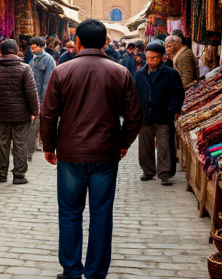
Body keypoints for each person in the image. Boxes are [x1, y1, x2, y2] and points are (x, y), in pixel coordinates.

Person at [40, 19, 142, 279]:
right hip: (106, 153)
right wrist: (123, 143)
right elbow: (134, 116)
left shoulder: (62, 71)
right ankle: (96, 272)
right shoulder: (120, 72)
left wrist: (49, 146)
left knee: (70, 212)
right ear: (105, 42)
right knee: (101, 214)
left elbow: (48, 114)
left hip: (70, 153)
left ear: (78, 41)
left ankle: (72, 270)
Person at [135, 42, 185, 186]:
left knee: (165, 145)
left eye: (154, 58)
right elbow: (135, 94)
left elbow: (178, 94)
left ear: (162, 57)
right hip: (145, 116)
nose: (151, 61)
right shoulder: (140, 74)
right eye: (148, 58)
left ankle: (165, 173)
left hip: (164, 115)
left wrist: (173, 110)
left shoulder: (171, 74)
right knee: (145, 145)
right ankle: (148, 171)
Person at [0, 39, 40, 184]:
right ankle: (19, 175)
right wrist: (35, 111)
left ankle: (1, 174)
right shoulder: (25, 68)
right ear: (17, 50)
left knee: (1, 144)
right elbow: (31, 92)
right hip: (21, 115)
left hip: (0, 113)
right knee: (20, 144)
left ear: (2, 51)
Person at [28, 36, 55, 160]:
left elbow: (48, 82)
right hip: (32, 96)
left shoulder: (48, 60)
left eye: (35, 47)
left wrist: (43, 100)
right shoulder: (32, 59)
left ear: (42, 47)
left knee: (37, 124)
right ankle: (30, 149)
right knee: (33, 124)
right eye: (31, 47)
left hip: (41, 97)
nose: (32, 49)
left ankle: (31, 150)